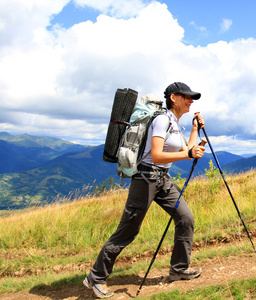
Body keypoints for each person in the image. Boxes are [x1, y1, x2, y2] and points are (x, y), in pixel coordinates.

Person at [83, 82, 206, 299]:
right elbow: (157, 155)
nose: (191, 101)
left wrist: (195, 131)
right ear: (174, 98)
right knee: (129, 229)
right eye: (187, 97)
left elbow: (186, 150)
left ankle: (178, 269)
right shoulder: (161, 120)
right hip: (146, 178)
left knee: (185, 218)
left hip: (162, 179)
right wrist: (188, 154)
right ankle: (96, 276)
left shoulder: (174, 123)